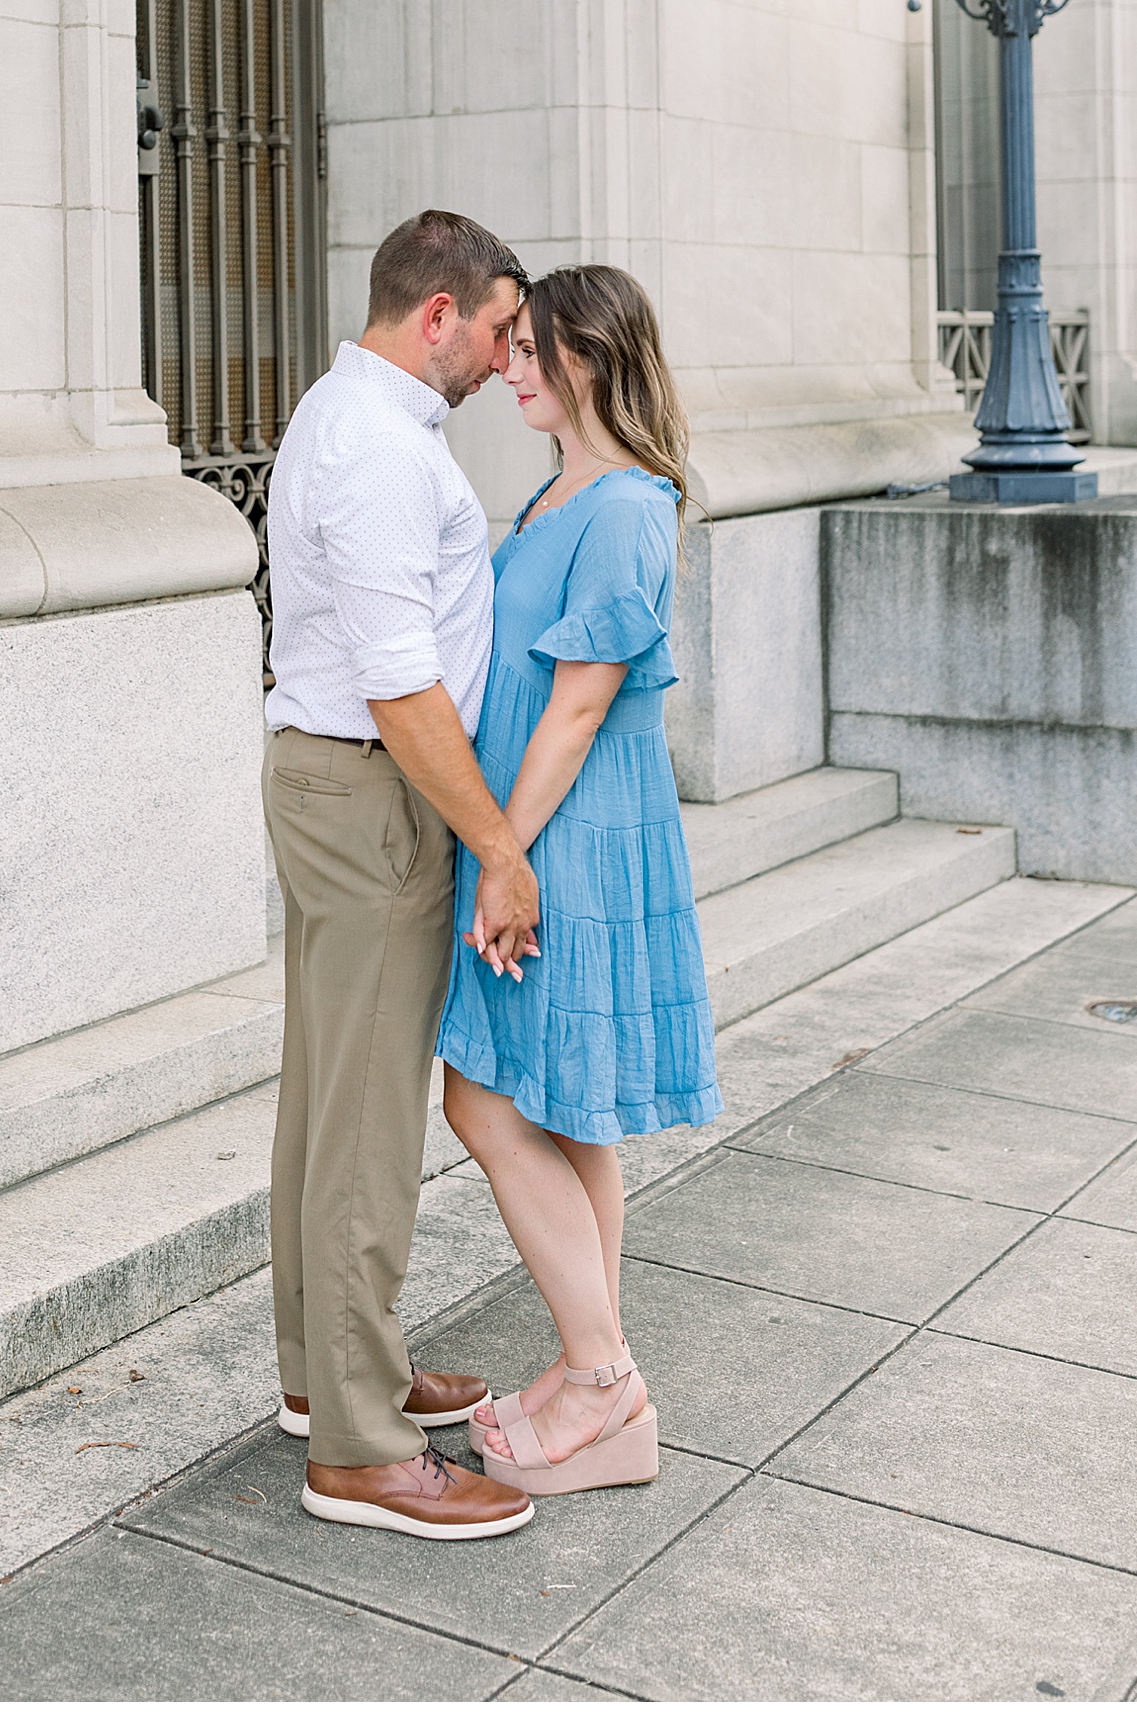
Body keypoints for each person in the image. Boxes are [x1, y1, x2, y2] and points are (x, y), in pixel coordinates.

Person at [262, 210, 542, 1541]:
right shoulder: (378, 448)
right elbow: (400, 680)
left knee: (329, 1100)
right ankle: (366, 1449)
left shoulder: (350, 415)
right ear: (437, 313)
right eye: (496, 329)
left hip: (341, 782)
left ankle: (332, 1379)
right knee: (368, 1119)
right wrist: (496, 841)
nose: (504, 357)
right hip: (375, 793)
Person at [438, 264, 722, 1497]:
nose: (508, 367)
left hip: (567, 840)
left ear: (589, 358)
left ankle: (605, 1378)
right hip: (538, 831)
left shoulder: (623, 506)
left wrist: (506, 857)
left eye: (530, 350)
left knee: (482, 1101)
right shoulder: (564, 490)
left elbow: (581, 701)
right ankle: (591, 1369)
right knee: (562, 1108)